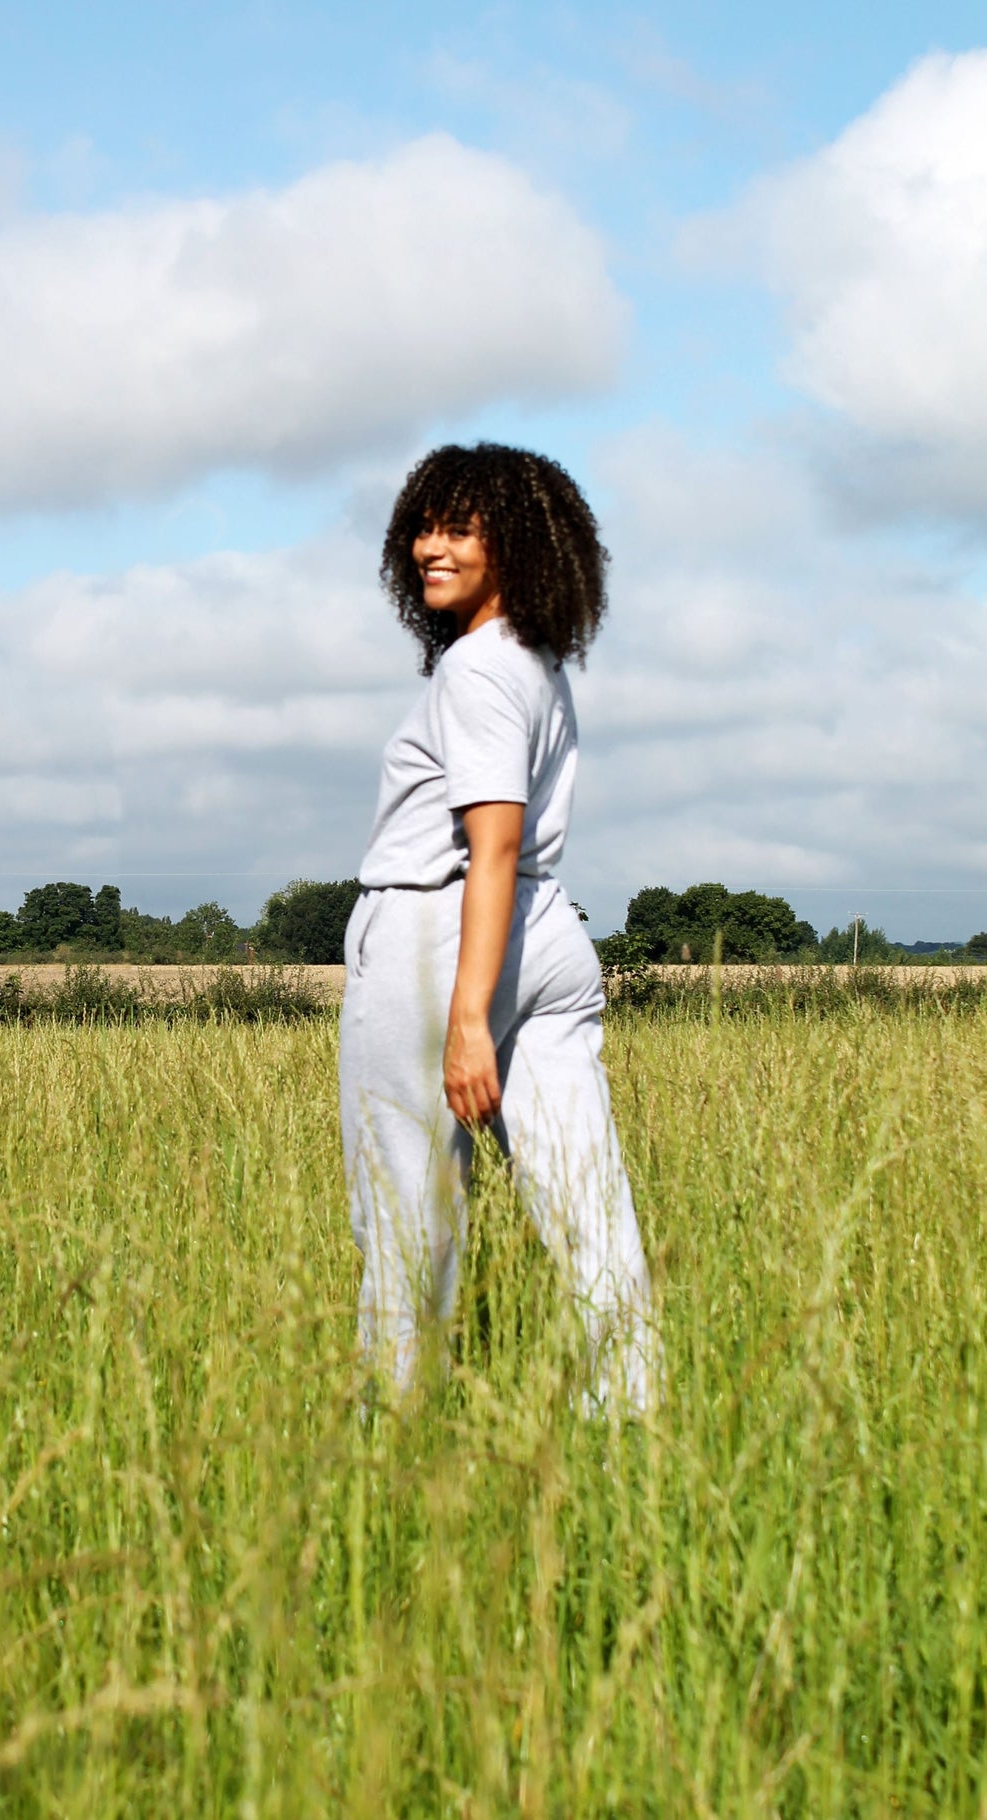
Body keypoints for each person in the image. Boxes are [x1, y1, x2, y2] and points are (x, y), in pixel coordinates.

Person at [339, 442, 655, 1410]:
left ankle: (390, 1444)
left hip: (442, 937)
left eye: (458, 528)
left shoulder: (476, 670)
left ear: (514, 541)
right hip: (546, 938)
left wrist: (467, 1013)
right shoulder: (534, 660)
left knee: (408, 1212)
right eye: (422, 528)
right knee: (587, 1209)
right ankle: (630, 1418)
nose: (429, 546)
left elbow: (495, 843)